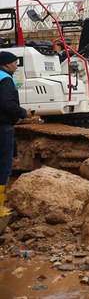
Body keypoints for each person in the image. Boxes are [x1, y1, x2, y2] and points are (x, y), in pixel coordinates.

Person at [0, 51, 30, 217]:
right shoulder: (5, 79)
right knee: (4, 167)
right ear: (6, 64)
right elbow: (6, 103)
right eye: (14, 63)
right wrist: (22, 112)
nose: (16, 66)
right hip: (3, 125)